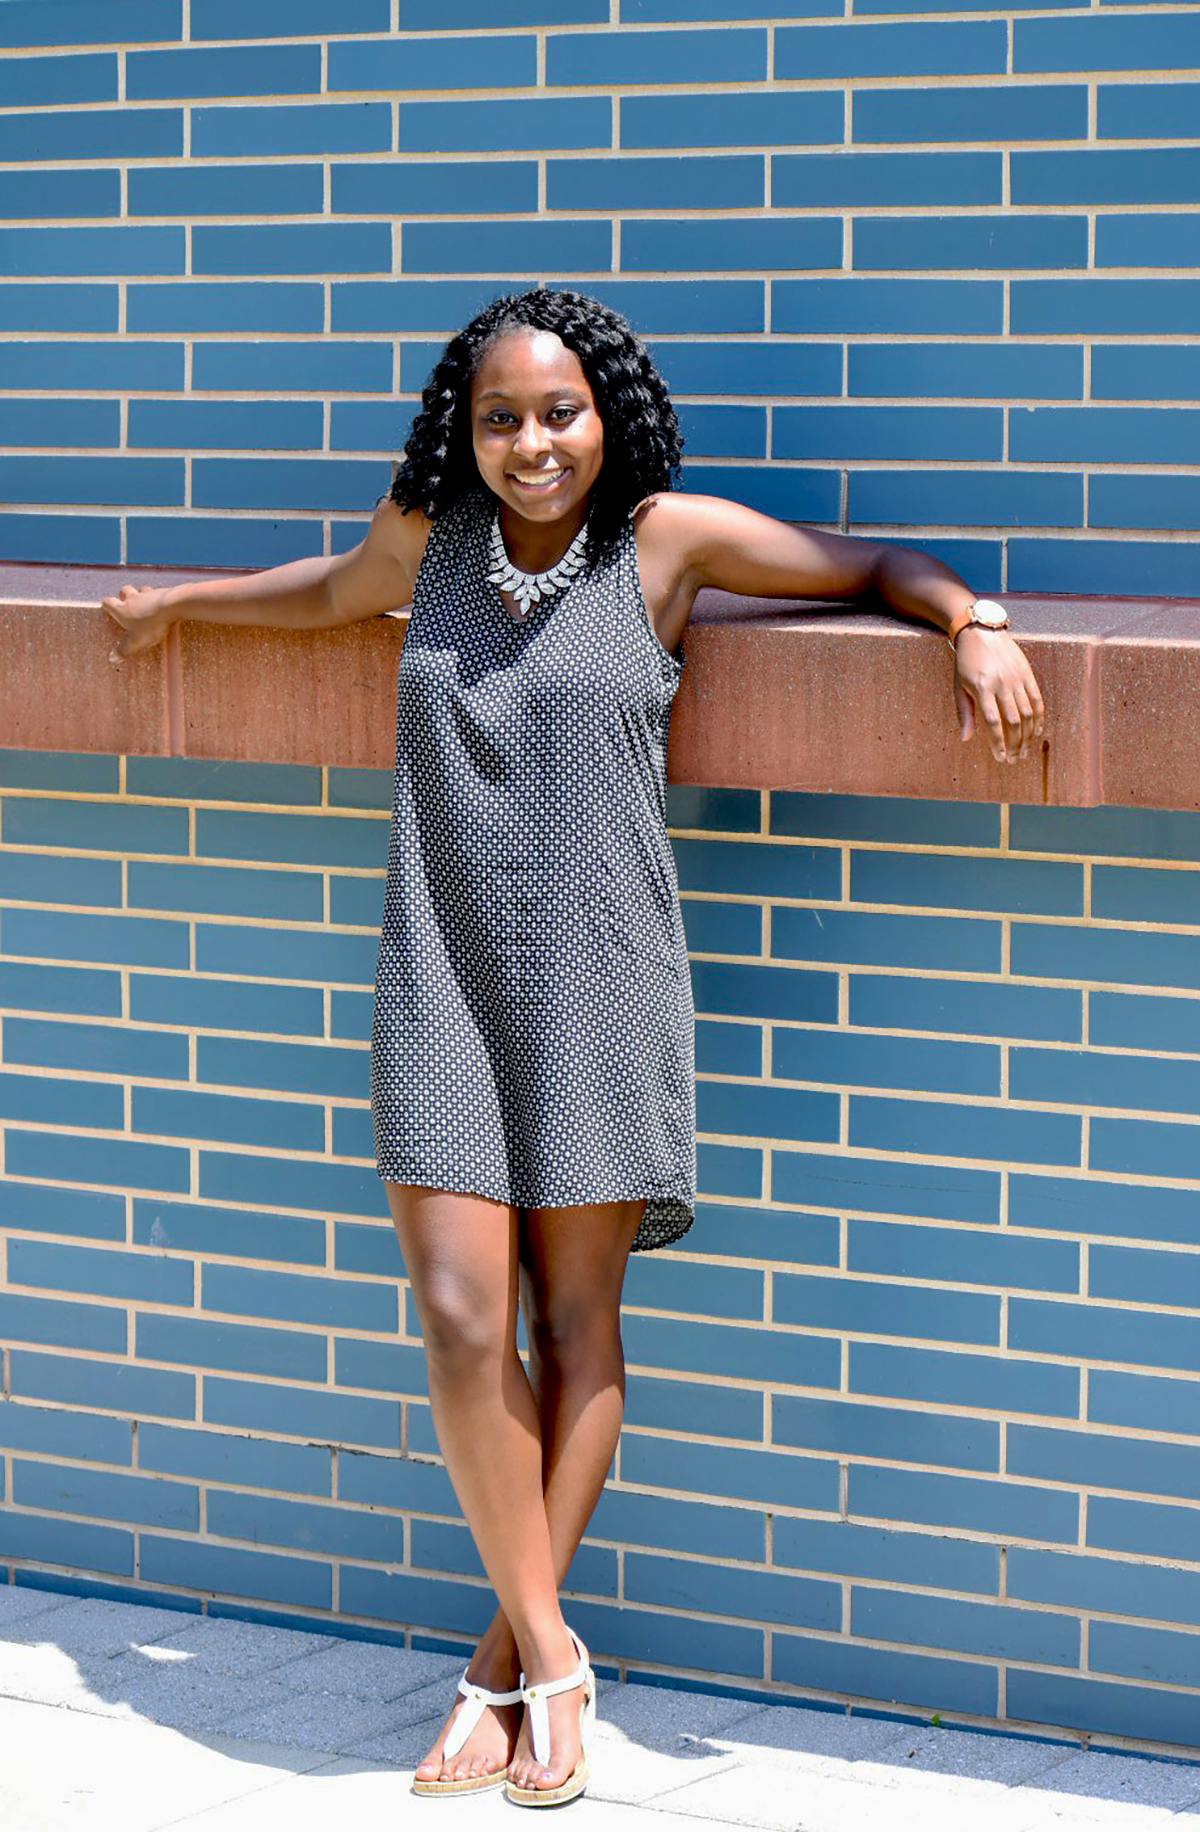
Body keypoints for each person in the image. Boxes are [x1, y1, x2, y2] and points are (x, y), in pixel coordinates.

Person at [103, 286, 1044, 1808]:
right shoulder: (430, 540)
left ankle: (504, 1669)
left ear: (608, 414)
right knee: (459, 1316)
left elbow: (869, 564)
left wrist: (971, 625)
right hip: (442, 973)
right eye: (501, 418)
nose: (532, 443)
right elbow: (333, 592)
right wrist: (176, 610)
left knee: (571, 1318)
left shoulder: (663, 543)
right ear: (461, 429)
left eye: (560, 412)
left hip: (601, 983)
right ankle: (555, 1655)